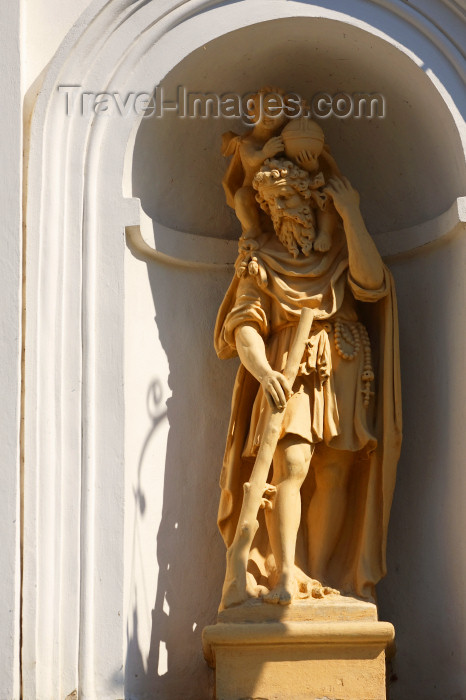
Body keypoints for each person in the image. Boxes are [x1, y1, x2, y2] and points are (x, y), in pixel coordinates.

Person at [214, 155, 402, 605]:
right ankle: (284, 575)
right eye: (269, 203)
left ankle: (319, 577)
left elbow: (373, 283)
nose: (278, 211)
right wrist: (263, 372)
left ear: (310, 198)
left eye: (286, 198)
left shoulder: (341, 249)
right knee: (291, 465)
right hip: (286, 367)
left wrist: (350, 213)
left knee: (336, 472)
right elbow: (244, 327)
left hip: (343, 360)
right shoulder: (260, 260)